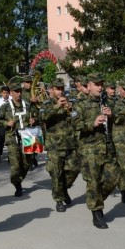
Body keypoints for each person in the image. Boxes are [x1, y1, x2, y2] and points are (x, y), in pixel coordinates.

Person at [70, 72, 119, 229]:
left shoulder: (105, 102)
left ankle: (95, 200)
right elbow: (76, 125)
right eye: (96, 84)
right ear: (89, 86)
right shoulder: (80, 104)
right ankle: (97, 211)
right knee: (94, 182)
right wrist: (93, 123)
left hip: (106, 147)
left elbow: (117, 121)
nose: (100, 87)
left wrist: (112, 115)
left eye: (101, 84)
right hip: (89, 149)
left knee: (113, 177)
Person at [39, 78, 79, 212]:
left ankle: (63, 190)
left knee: (74, 169)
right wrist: (57, 106)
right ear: (51, 90)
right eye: (57, 88)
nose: (60, 91)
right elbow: (43, 117)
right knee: (57, 173)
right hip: (55, 145)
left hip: (70, 143)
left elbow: (76, 118)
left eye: (62, 88)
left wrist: (71, 109)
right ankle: (59, 199)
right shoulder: (47, 103)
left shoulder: (70, 102)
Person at [0, 81, 38, 197]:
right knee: (15, 166)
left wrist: (34, 120)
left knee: (27, 164)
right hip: (12, 138)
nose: (19, 94)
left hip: (27, 138)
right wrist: (6, 123)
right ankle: (17, 185)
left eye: (20, 91)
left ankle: (19, 180)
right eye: (16, 92)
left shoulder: (27, 105)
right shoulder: (6, 107)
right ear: (11, 93)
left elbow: (36, 115)